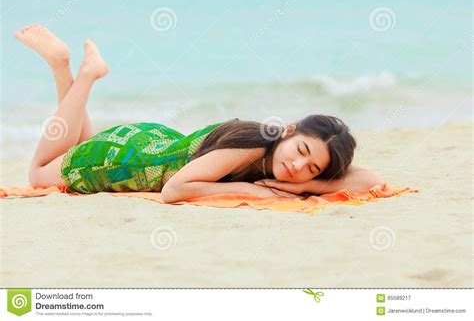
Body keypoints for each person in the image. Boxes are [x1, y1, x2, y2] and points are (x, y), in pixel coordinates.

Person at [15, 25, 384, 203]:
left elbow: (369, 178)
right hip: (126, 162)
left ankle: (62, 68)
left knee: (80, 143)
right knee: (38, 175)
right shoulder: (251, 147)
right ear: (288, 131)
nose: (297, 168)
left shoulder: (273, 150)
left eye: (313, 168)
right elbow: (174, 191)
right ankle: (83, 73)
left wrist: (305, 186)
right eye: (302, 153)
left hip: (146, 142)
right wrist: (263, 194)